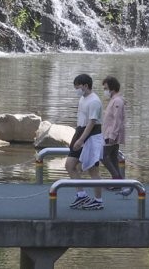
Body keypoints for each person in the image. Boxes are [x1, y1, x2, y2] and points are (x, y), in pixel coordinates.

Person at [66, 73, 105, 210]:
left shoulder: (94, 101)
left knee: (93, 170)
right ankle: (81, 195)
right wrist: (77, 137)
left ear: (85, 86)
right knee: (70, 165)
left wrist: (82, 139)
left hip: (91, 136)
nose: (76, 90)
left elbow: (92, 122)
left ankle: (98, 200)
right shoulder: (83, 98)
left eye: (78, 87)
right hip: (80, 132)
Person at [101, 76, 126, 184]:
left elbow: (118, 120)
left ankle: (116, 179)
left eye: (106, 88)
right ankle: (118, 182)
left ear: (112, 88)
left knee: (103, 156)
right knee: (113, 157)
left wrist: (112, 135)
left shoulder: (117, 101)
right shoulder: (114, 100)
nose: (105, 91)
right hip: (109, 133)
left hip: (111, 135)